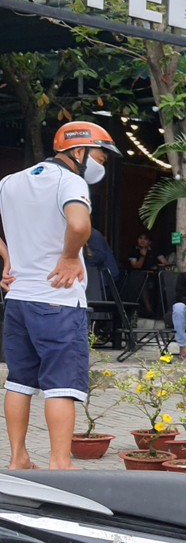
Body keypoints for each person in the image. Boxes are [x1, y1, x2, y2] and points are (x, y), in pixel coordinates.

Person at [0, 121, 114, 469]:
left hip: (18, 298)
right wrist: (68, 256)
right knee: (61, 386)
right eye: (101, 155)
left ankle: (18, 458)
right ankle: (60, 463)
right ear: (78, 151)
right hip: (58, 299)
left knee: (19, 381)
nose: (103, 164)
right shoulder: (70, 181)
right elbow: (80, 225)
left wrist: (7, 257)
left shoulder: (11, 181)